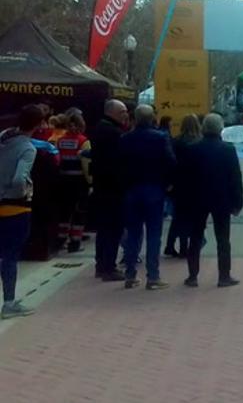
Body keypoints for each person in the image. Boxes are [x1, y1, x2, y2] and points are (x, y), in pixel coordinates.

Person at [119, 105, 176, 290]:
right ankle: (153, 276)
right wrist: (168, 183)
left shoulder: (125, 138)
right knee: (154, 235)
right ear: (153, 119)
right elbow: (171, 161)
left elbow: (118, 164)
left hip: (132, 190)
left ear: (134, 119)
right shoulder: (160, 138)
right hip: (154, 189)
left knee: (133, 234)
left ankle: (130, 274)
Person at [187, 114, 243, 288]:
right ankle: (224, 276)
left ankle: (192, 276)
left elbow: (185, 178)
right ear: (220, 128)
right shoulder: (228, 149)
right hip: (222, 200)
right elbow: (235, 178)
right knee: (223, 239)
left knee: (195, 238)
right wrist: (237, 203)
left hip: (197, 199)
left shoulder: (192, 148)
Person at [0, 105, 45, 319]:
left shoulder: (3, 137)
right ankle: (8, 302)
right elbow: (19, 178)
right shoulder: (28, 148)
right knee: (10, 255)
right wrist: (22, 190)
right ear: (38, 124)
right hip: (15, 206)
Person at [89, 100, 129, 282]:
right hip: (112, 188)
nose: (125, 115)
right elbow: (118, 162)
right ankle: (108, 266)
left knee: (104, 229)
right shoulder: (113, 133)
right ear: (111, 112)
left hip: (102, 186)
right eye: (122, 112)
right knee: (113, 228)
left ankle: (101, 264)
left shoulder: (100, 128)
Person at [164, 115, 202, 259]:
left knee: (178, 216)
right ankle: (186, 248)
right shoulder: (199, 142)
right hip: (195, 185)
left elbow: (171, 162)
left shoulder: (176, 141)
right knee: (192, 218)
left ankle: (170, 244)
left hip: (179, 185)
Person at [54, 114, 91, 253]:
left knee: (64, 211)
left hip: (63, 181)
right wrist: (91, 182)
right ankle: (75, 242)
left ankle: (61, 239)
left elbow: (57, 160)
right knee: (80, 212)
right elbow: (87, 165)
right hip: (80, 182)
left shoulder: (60, 141)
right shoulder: (83, 141)